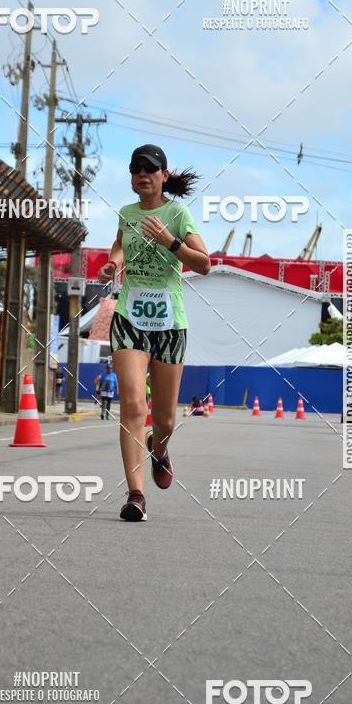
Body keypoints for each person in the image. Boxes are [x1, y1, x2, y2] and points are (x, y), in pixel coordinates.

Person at [97, 143, 211, 521]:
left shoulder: (177, 213)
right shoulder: (127, 214)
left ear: (164, 175)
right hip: (129, 317)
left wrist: (170, 241)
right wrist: (113, 263)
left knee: (163, 420)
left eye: (150, 168)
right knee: (133, 406)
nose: (142, 174)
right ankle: (136, 495)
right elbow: (120, 245)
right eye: (135, 169)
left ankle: (158, 449)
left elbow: (205, 263)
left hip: (169, 323)